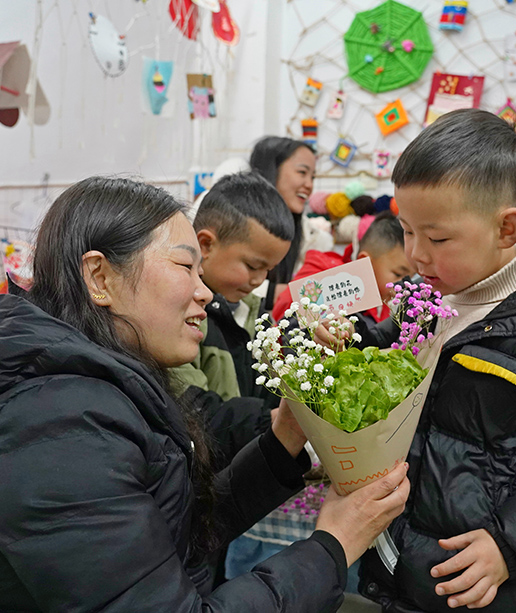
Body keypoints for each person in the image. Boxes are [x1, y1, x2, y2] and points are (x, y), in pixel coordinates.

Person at [0, 176, 410, 612]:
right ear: (100, 277)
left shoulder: (93, 388)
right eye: (184, 266)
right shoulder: (52, 425)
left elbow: (173, 538)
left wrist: (282, 441)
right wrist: (332, 546)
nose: (204, 291)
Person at [319, 109, 516, 612]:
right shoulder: (424, 305)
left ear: (507, 228)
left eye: (438, 238)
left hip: (500, 589)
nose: (416, 254)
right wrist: (345, 340)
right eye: (407, 231)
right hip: (404, 572)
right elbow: (382, 354)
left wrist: (511, 545)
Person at [173, 172, 293, 463]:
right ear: (205, 245)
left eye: (269, 270)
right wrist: (272, 422)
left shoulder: (252, 314)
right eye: (252, 266)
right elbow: (193, 413)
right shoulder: (178, 316)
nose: (259, 279)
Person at [271, 211, 415, 326]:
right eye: (398, 274)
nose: (404, 285)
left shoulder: (385, 300)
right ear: (365, 261)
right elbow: (286, 311)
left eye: (411, 277)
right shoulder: (325, 274)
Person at [249, 136, 316, 309]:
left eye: (313, 177)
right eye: (302, 172)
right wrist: (274, 293)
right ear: (272, 169)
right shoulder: (233, 211)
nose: (309, 185)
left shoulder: (304, 231)